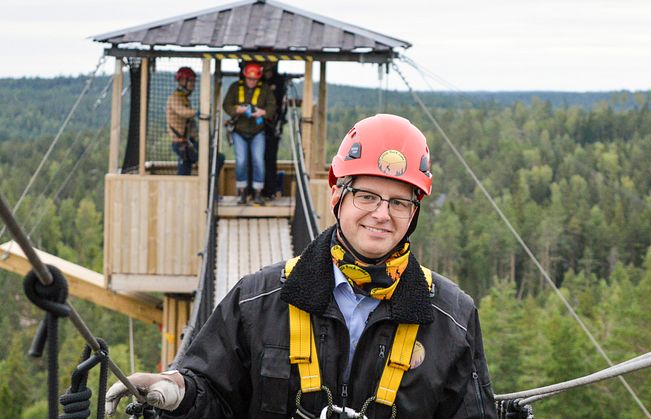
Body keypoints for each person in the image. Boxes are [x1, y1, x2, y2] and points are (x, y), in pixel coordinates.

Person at [105, 114, 498, 418]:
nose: (382, 214)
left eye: (400, 202)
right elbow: (217, 396)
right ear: (336, 194)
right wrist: (181, 392)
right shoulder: (258, 300)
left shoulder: (451, 317)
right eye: (366, 196)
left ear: (414, 213)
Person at [223, 62, 277, 205]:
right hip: (239, 131)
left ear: (259, 78)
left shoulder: (265, 90)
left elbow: (272, 106)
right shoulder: (235, 88)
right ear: (245, 76)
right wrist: (237, 110)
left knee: (258, 161)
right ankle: (242, 193)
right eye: (249, 79)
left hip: (257, 132)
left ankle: (258, 193)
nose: (252, 82)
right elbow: (226, 105)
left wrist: (262, 112)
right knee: (241, 161)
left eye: (254, 79)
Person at [261, 62, 288, 200]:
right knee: (257, 159)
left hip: (273, 127)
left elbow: (281, 107)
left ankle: (269, 190)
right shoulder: (259, 82)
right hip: (258, 127)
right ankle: (257, 190)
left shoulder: (279, 84)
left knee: (270, 159)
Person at [166, 67, 199, 175]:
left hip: (187, 141)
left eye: (193, 81)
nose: (193, 84)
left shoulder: (185, 98)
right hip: (180, 142)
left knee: (185, 167)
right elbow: (181, 111)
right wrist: (196, 112)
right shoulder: (175, 98)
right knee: (211, 158)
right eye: (190, 81)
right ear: (181, 81)